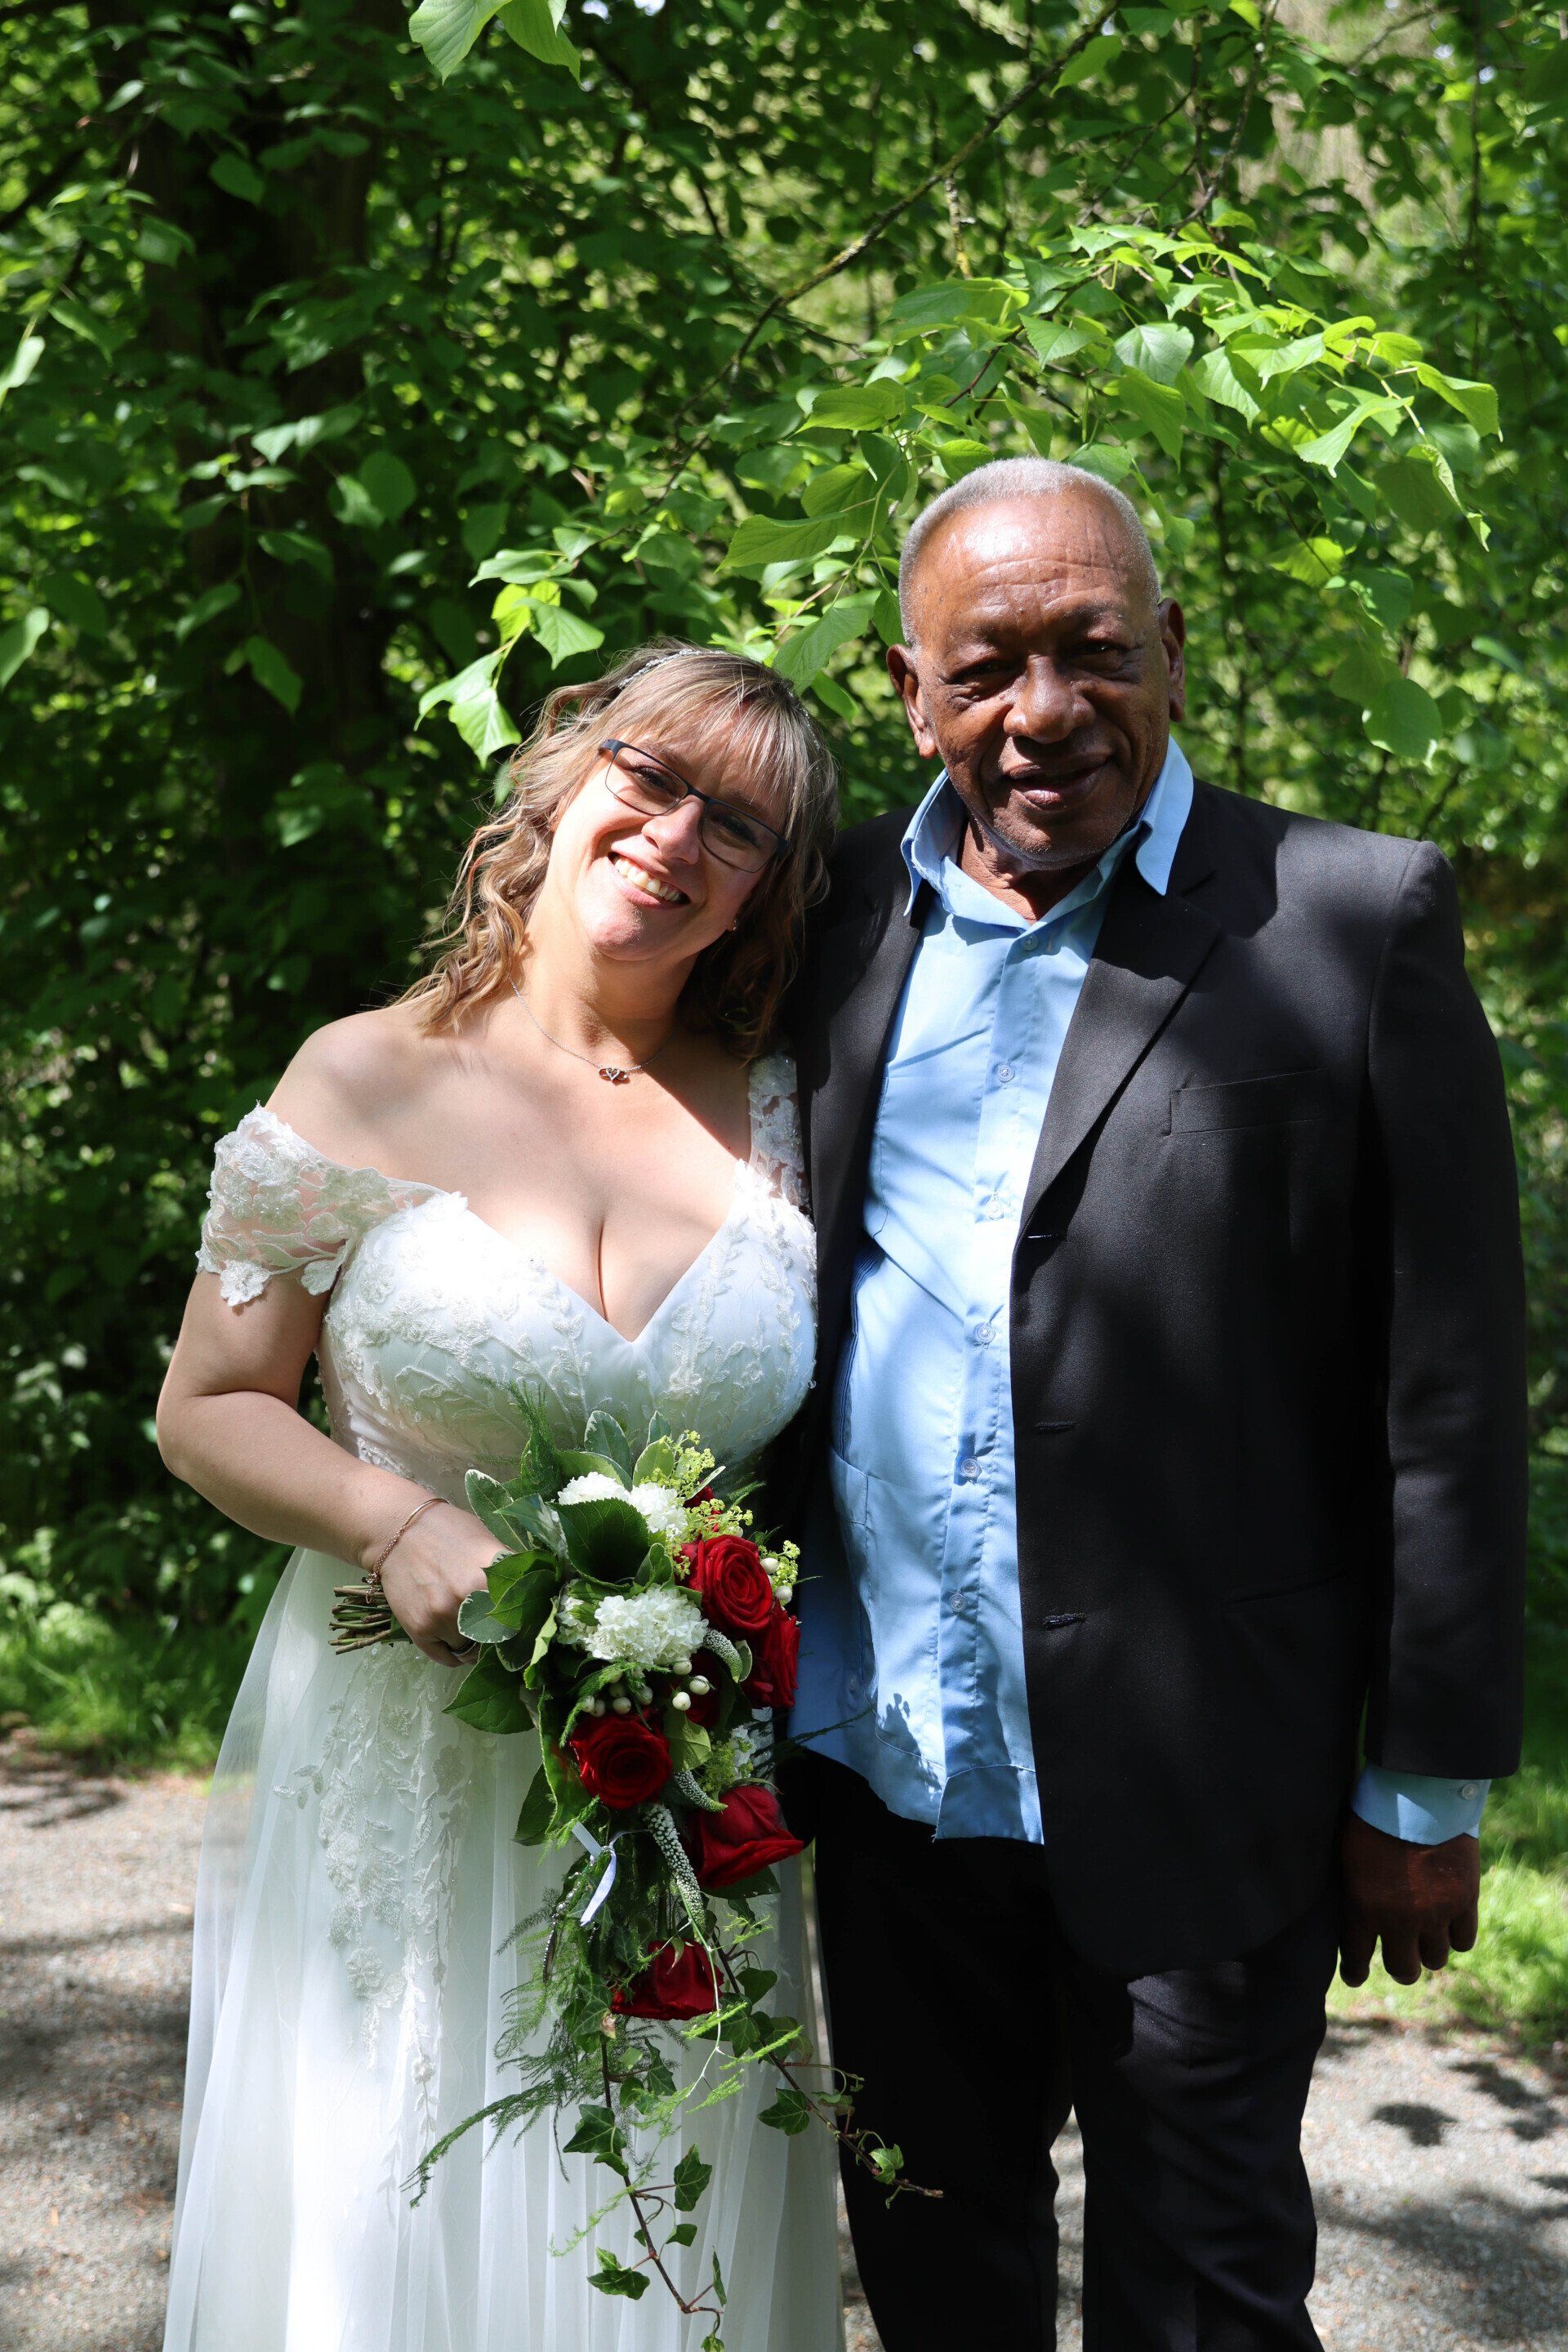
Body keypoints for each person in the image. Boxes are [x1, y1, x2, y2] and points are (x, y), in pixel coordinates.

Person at [784, 459, 1527, 2350]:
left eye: (1096, 650)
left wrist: (1423, 1786)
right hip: (892, 1773)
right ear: (912, 692)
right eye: (988, 666)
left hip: (1210, 1781)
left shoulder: (1350, 916)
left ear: (1173, 653)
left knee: (1205, 2294)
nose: (1047, 711)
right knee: (934, 2276)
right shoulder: (830, 912)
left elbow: (1447, 1389)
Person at [154, 643, 842, 2352]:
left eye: (739, 826)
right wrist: (391, 1521)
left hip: (688, 1787)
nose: (676, 838)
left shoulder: (791, 1110)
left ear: (765, 891)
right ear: (559, 782)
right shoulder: (361, 1080)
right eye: (650, 778)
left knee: (660, 2218)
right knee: (394, 2213)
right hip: (404, 1758)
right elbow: (208, 1406)